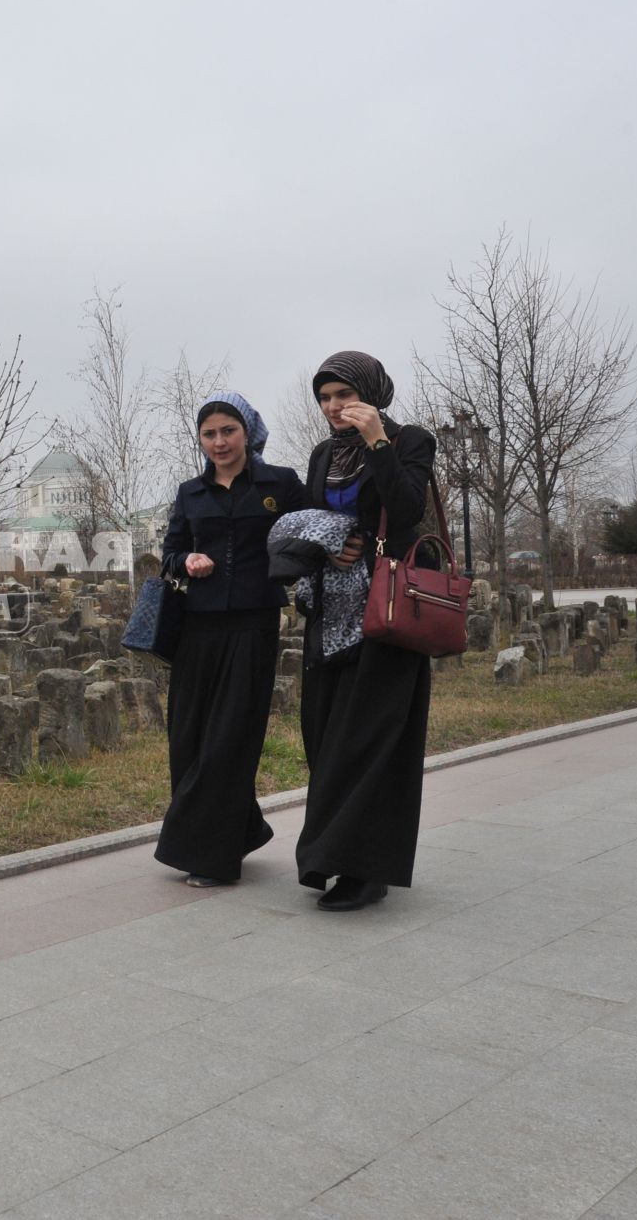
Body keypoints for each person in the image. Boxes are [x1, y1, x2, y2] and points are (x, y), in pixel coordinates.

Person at [295, 351, 438, 912]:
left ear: (373, 393)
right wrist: (329, 543)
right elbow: (312, 520)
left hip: (385, 614)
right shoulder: (323, 454)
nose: (334, 408)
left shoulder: (410, 441)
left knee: (372, 740)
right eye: (325, 398)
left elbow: (406, 510)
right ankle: (329, 858)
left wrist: (379, 441)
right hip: (328, 614)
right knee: (327, 739)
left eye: (343, 396)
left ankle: (368, 869)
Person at [155, 392, 306, 887]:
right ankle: (240, 829)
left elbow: (311, 534)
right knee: (191, 737)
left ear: (248, 432)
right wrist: (187, 562)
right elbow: (171, 554)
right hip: (197, 628)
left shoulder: (279, 484)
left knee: (230, 739)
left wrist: (288, 571)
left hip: (252, 625)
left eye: (228, 431)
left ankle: (214, 857)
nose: (219, 442)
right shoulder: (190, 491)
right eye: (209, 434)